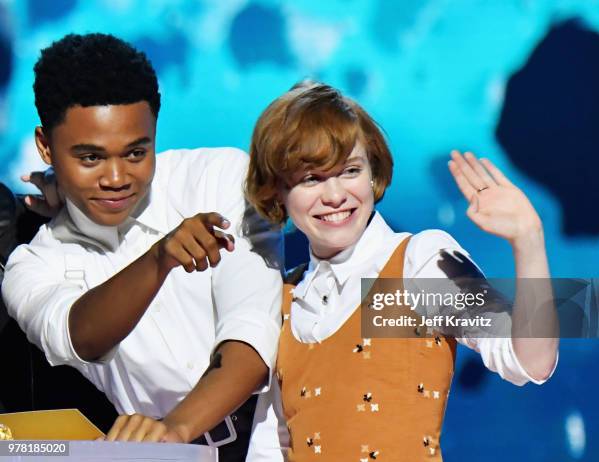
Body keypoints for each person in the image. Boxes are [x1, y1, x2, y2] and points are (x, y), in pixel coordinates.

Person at [243, 82, 559, 460]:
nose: (334, 195)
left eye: (349, 170)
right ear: (277, 191)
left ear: (373, 174)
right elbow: (270, 448)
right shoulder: (283, 298)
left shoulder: (418, 262)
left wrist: (528, 239)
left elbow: (529, 361)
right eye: (312, 178)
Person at [1, 33, 282, 456]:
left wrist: (174, 430)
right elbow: (81, 338)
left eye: (136, 152)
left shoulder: (217, 177)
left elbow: (253, 328)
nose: (116, 178)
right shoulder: (33, 263)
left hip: (278, 443)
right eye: (90, 158)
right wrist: (158, 260)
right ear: (45, 146)